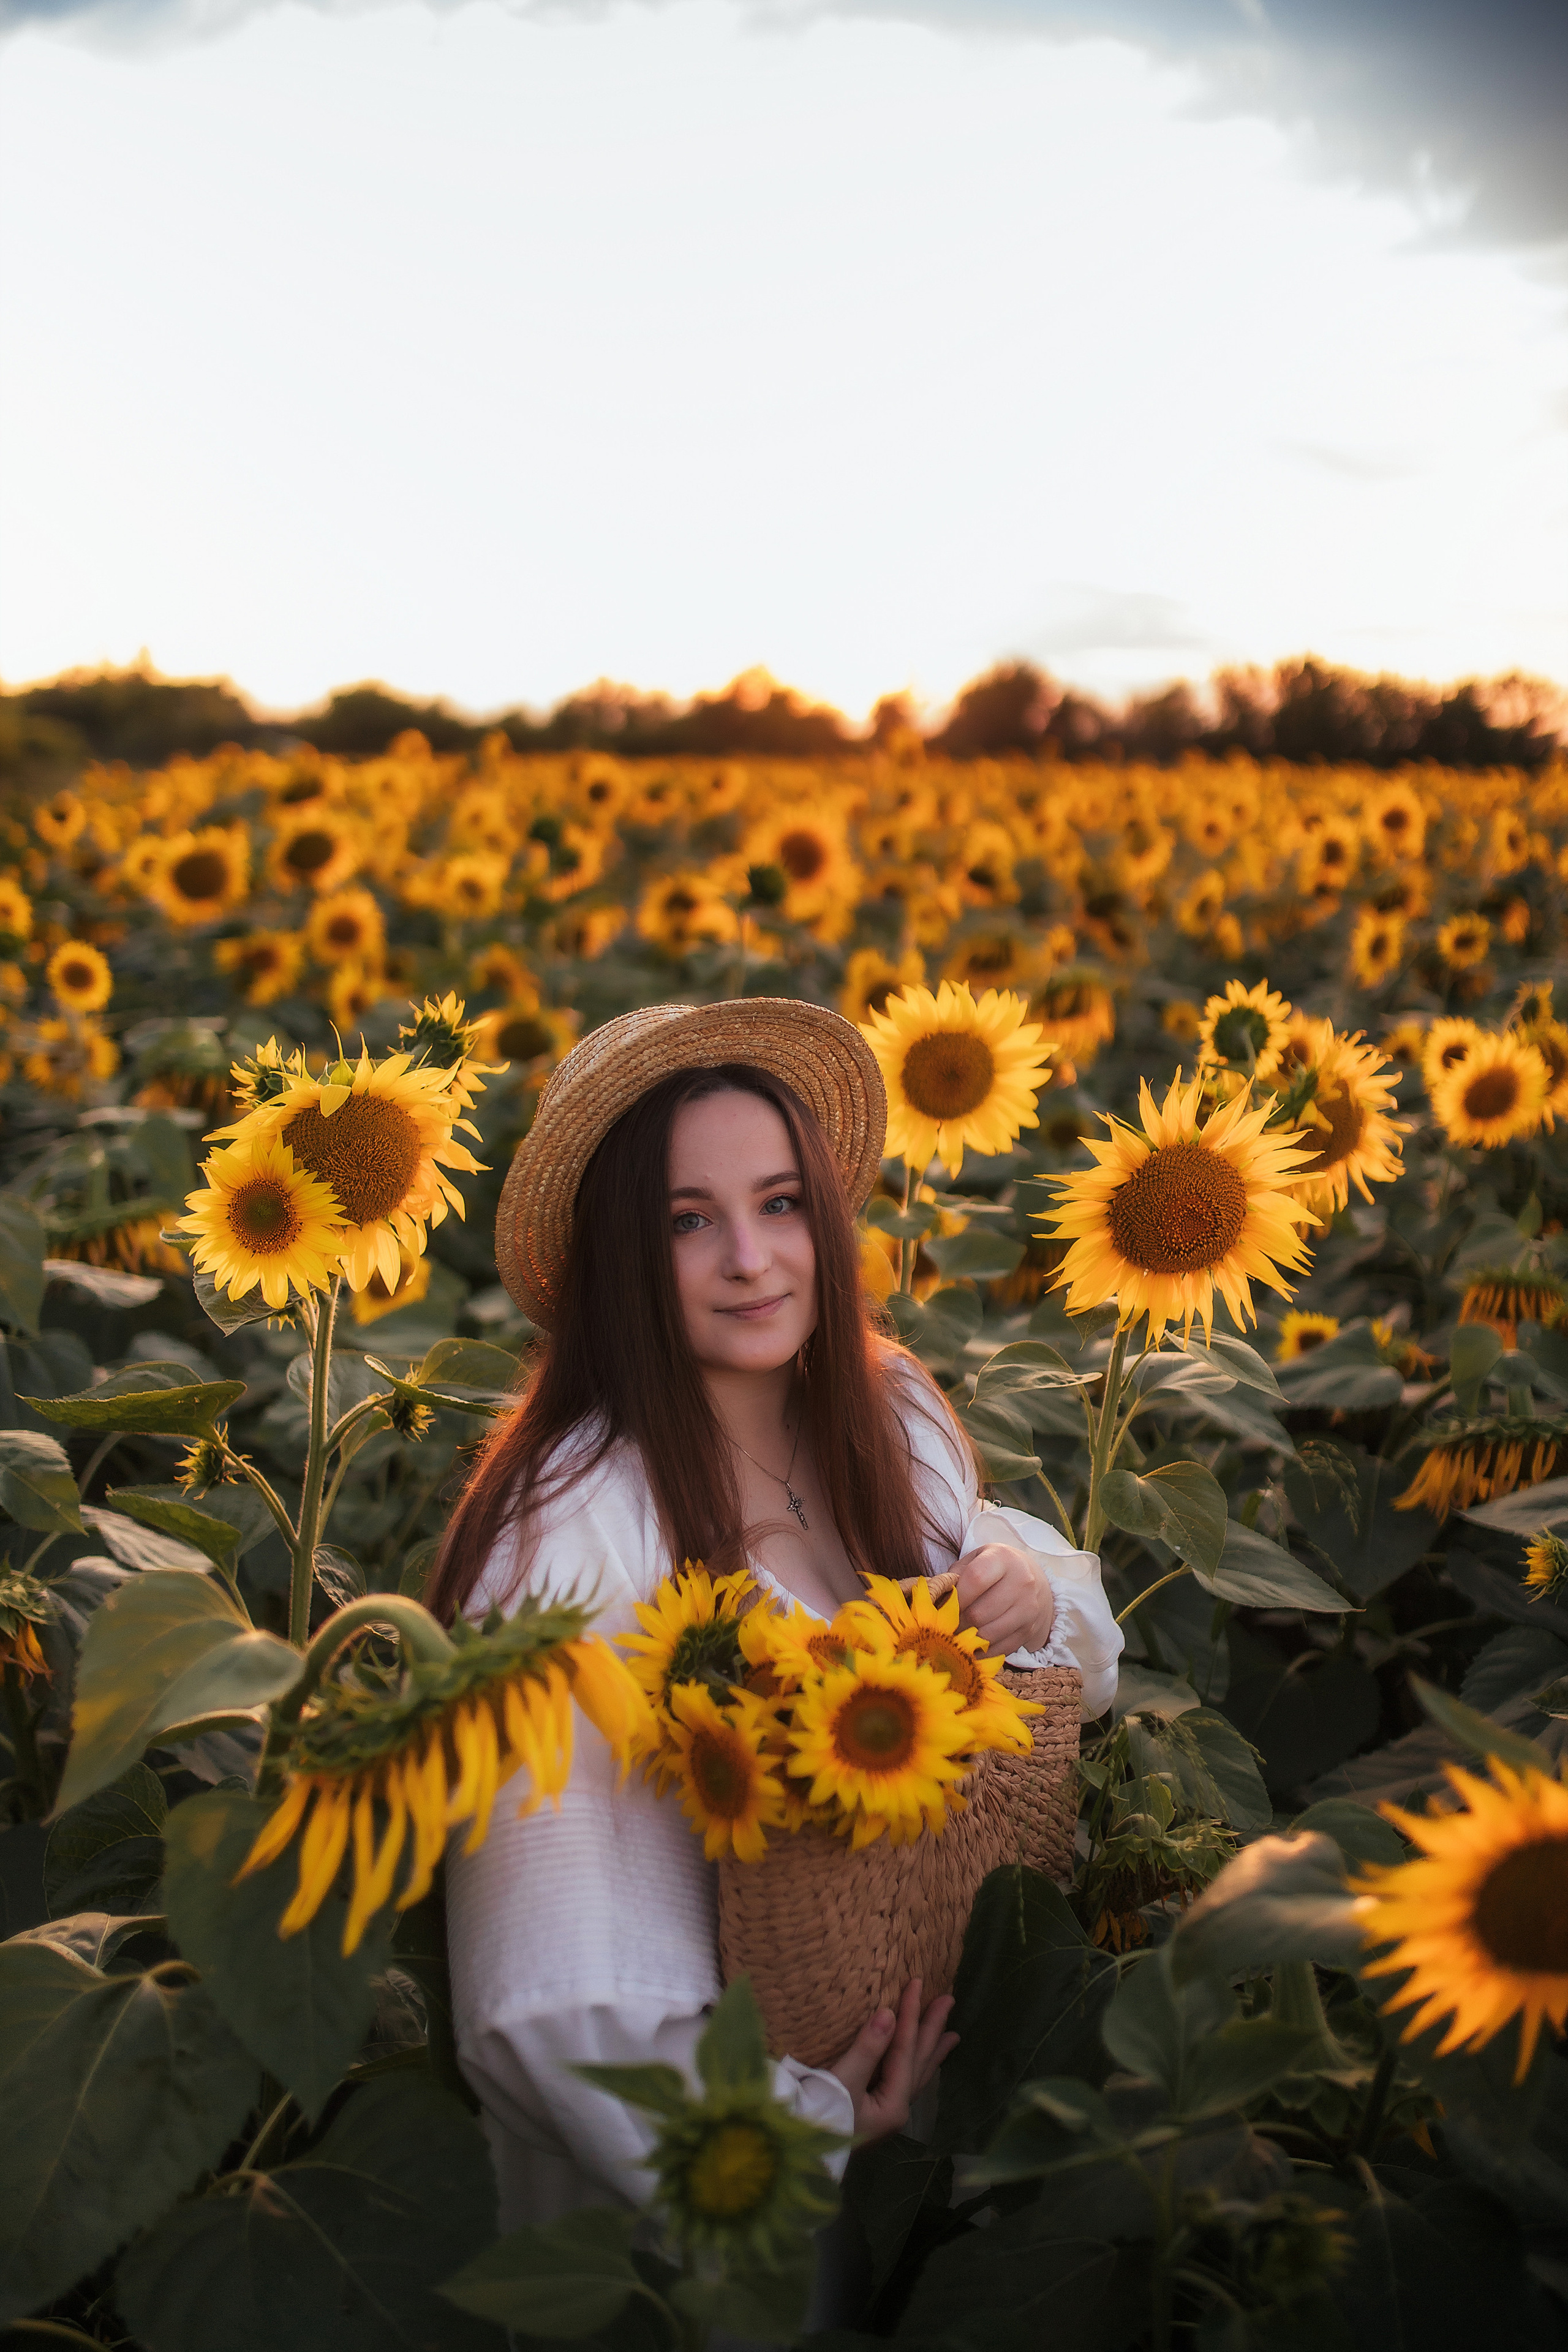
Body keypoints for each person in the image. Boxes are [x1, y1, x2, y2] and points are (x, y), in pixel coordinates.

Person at [428, 998, 1121, 2236]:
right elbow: (546, 1972)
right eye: (687, 1221)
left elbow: (1077, 1662)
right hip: (721, 2202)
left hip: (947, 2103)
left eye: (781, 1202)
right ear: (617, 1261)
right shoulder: (574, 1531)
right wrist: (787, 2124)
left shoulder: (887, 1416)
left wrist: (1013, 1577)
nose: (751, 1258)